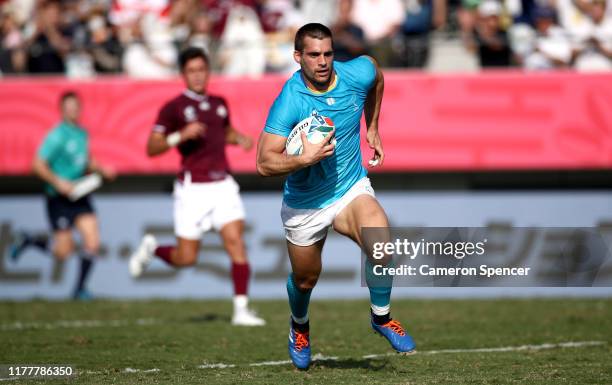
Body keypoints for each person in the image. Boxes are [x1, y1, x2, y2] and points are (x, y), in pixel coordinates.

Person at [256, 23, 415, 370]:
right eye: (313, 55)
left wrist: (372, 126)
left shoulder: (355, 73)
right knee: (305, 279)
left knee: (381, 241)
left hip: (349, 187)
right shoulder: (290, 99)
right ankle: (299, 326)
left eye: (327, 53)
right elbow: (263, 162)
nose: (323, 61)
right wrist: (303, 159)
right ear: (298, 57)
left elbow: (377, 75)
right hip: (305, 204)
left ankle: (381, 317)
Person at [130, 47, 265, 327]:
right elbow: (152, 147)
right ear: (183, 74)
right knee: (186, 257)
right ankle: (153, 249)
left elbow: (222, 130)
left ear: (208, 71)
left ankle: (241, 310)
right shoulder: (173, 108)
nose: (198, 75)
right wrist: (180, 135)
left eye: (201, 69)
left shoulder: (219, 102)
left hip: (223, 185)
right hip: (192, 189)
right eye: (191, 70)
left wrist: (238, 138)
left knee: (235, 242)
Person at [9, 91, 116, 300]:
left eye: (76, 106)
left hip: (80, 195)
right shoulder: (56, 135)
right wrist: (59, 182)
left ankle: (80, 289)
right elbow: (37, 165)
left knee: (92, 242)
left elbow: (86, 161)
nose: (73, 110)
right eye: (69, 107)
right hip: (58, 199)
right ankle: (29, 240)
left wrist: (103, 170)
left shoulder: (82, 133)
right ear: (62, 110)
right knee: (63, 251)